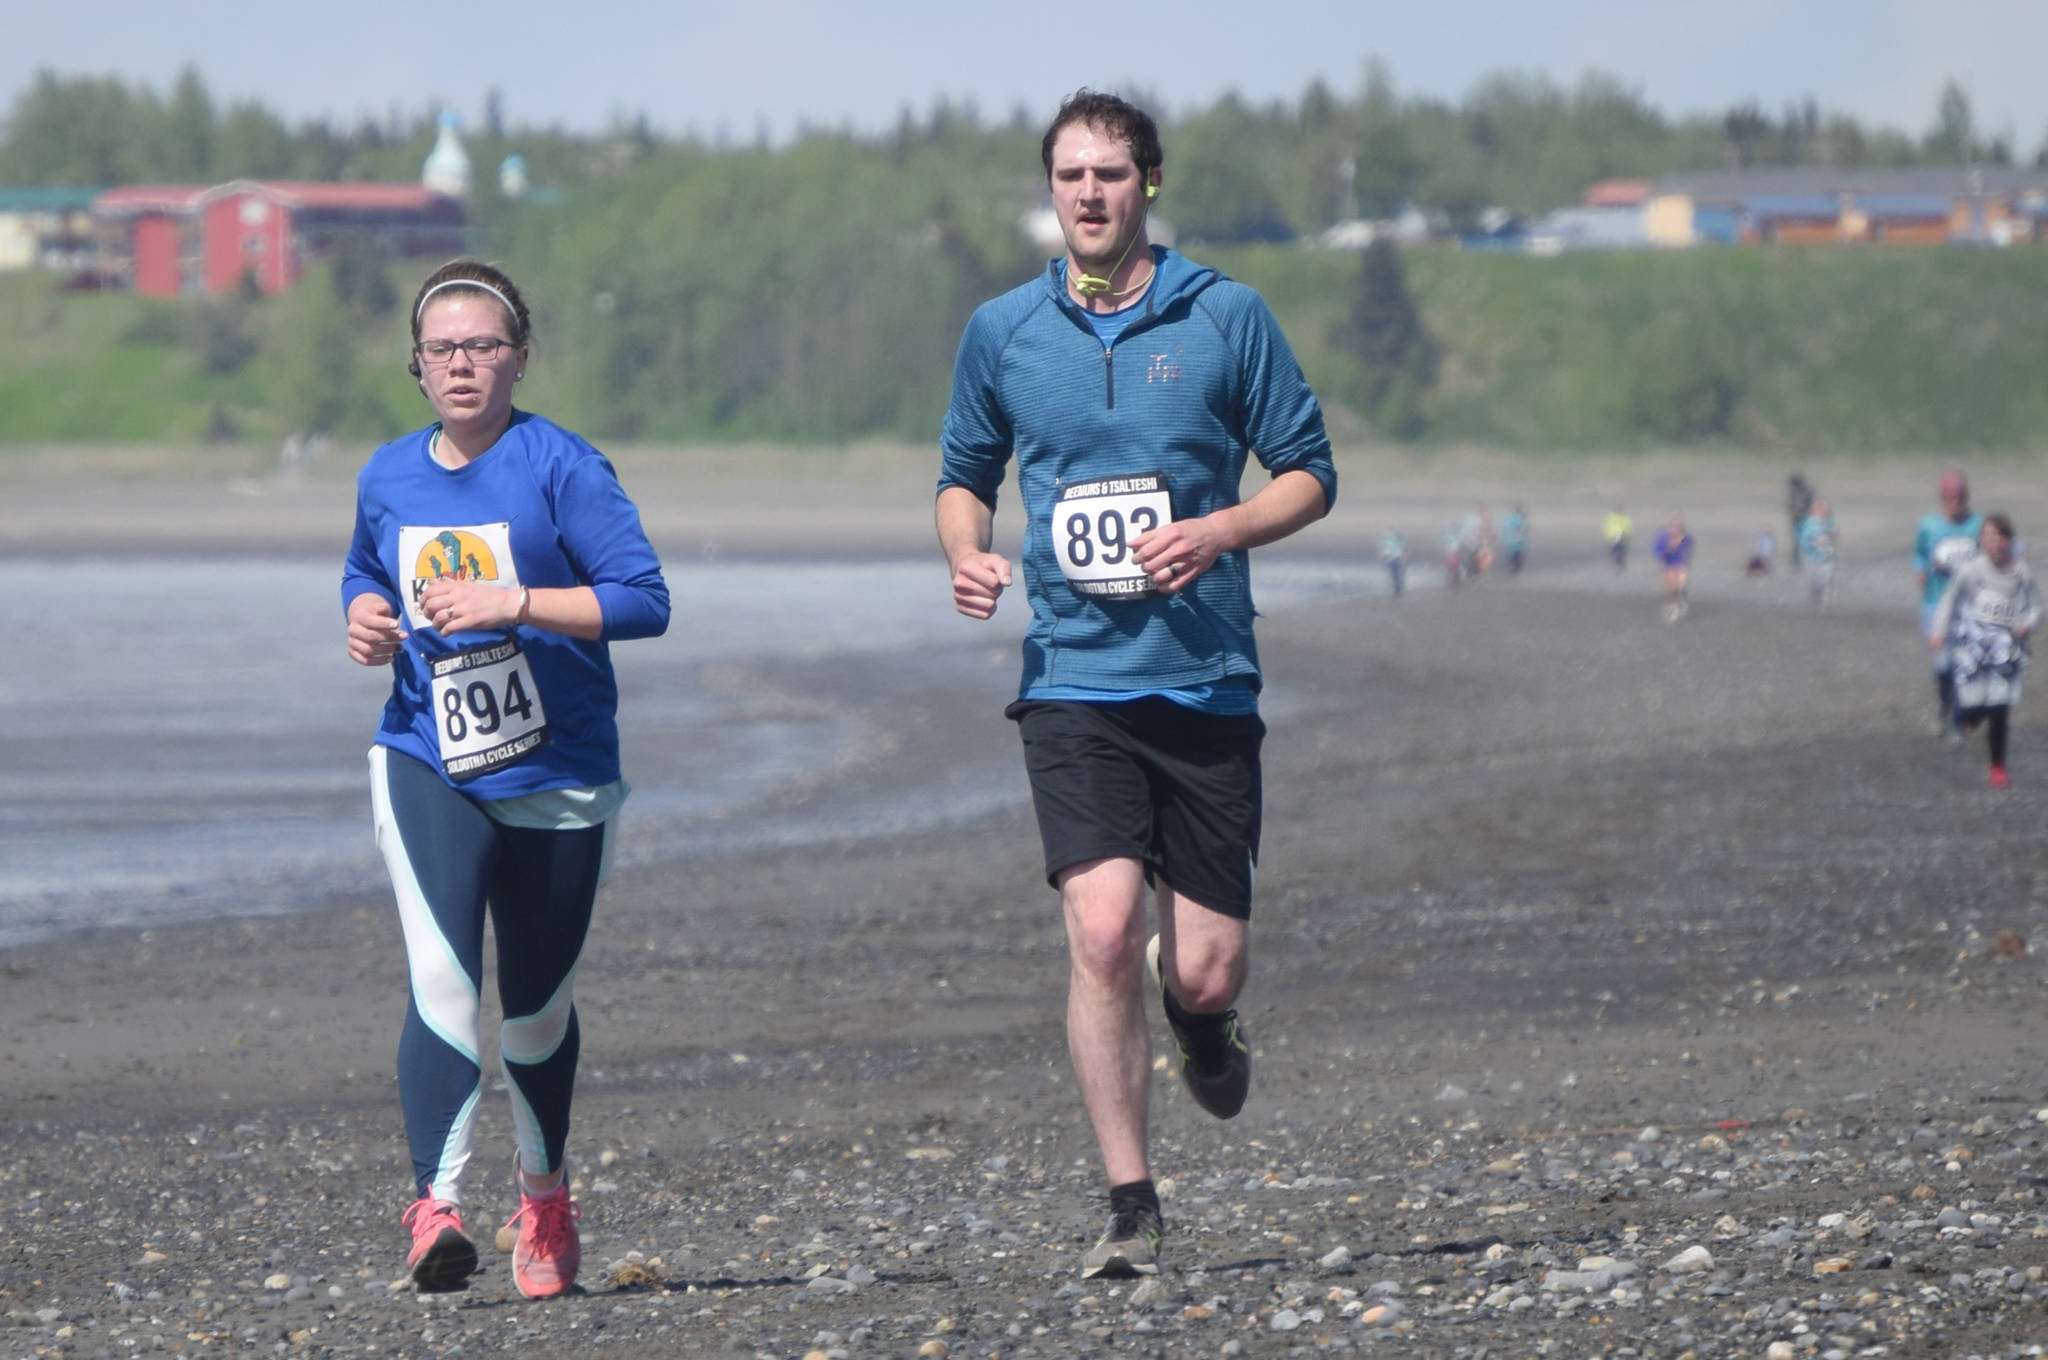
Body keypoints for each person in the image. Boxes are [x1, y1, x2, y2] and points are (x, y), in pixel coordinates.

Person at [935, 90, 1337, 1281]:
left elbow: (1309, 474)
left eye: (1111, 173)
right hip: (1072, 676)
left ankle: (1202, 1022)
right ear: (1050, 190)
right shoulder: (1003, 330)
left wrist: (1217, 530)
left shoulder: (1224, 316)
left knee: (1199, 962)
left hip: (1204, 676)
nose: (1090, 194)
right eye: (1070, 176)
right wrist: (964, 551)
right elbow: (964, 473)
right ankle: (1129, 1203)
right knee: (1102, 929)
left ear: (1147, 183)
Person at [341, 260, 671, 1297]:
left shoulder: (562, 467)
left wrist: (515, 601)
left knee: (532, 1012)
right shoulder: (387, 474)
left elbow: (644, 599)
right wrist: (360, 615)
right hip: (426, 754)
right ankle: (434, 1208)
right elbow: (363, 567)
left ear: (519, 358)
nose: (464, 364)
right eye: (444, 348)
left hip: (559, 769)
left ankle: (542, 1193)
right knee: (443, 977)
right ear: (417, 364)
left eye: (484, 345)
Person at [1929, 514, 2039, 789]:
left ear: (2008, 541)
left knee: (2000, 707)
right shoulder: (1971, 570)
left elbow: (2037, 606)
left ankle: (1998, 766)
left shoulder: (2021, 571)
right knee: (1974, 707)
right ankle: (1968, 717)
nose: (1994, 542)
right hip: (1974, 646)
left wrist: (2028, 623)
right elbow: (1949, 599)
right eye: (1989, 536)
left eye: (2000, 537)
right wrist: (1939, 631)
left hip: (2006, 646)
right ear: (1982, 541)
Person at [1914, 468, 1984, 741]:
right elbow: (1919, 554)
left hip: (1967, 609)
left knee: (1962, 668)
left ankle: (1957, 722)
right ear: (1942, 497)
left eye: (1960, 494)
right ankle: (1944, 706)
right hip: (1935, 604)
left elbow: (1992, 554)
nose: (1956, 500)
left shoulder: (1977, 525)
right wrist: (1920, 569)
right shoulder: (1929, 526)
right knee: (1943, 667)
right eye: (1951, 495)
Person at [1652, 512, 1694, 622]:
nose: (1675, 528)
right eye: (1673, 525)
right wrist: (1668, 549)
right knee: (1671, 586)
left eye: (1677, 526)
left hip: (1679, 563)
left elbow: (1689, 546)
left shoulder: (1685, 537)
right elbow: (1657, 550)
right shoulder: (1663, 538)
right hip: (1669, 564)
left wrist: (1682, 546)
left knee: (1681, 583)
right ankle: (1673, 604)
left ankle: (1682, 600)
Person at [1797, 498, 1838, 606]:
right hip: (1812, 558)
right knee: (1815, 582)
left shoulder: (1828, 522)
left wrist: (1829, 539)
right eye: (1822, 509)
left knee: (1826, 581)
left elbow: (1834, 535)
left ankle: (1824, 604)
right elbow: (1803, 541)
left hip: (1826, 557)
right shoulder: (1809, 524)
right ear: (1816, 510)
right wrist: (1815, 542)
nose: (1825, 511)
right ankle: (1816, 601)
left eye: (1825, 509)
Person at [1786, 473, 1814, 568]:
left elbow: (1806, 505)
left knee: (1802, 540)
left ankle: (1800, 560)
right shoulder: (1797, 492)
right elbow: (1790, 506)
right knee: (1798, 540)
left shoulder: (1804, 491)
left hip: (1803, 519)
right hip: (1799, 519)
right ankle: (1797, 560)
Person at [1500, 504, 1529, 575]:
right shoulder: (1520, 519)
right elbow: (1523, 530)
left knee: (1512, 557)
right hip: (1517, 542)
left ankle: (1512, 569)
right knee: (1517, 558)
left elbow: (1505, 528)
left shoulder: (1509, 518)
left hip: (1510, 541)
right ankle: (1514, 570)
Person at [1380, 528, 1406, 598]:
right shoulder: (1399, 543)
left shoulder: (1391, 543)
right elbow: (1399, 552)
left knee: (1395, 575)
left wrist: (1385, 559)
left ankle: (1397, 588)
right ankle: (1398, 588)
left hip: (1393, 560)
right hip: (1395, 560)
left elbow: (1387, 552)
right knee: (1397, 574)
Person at [1604, 506, 1632, 572]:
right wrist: (1608, 535)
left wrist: (1627, 535)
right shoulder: (1613, 519)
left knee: (1621, 550)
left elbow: (1628, 528)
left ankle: (1619, 563)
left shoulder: (1623, 519)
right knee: (1615, 550)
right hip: (1614, 537)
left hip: (1622, 537)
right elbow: (1609, 528)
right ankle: (1616, 562)